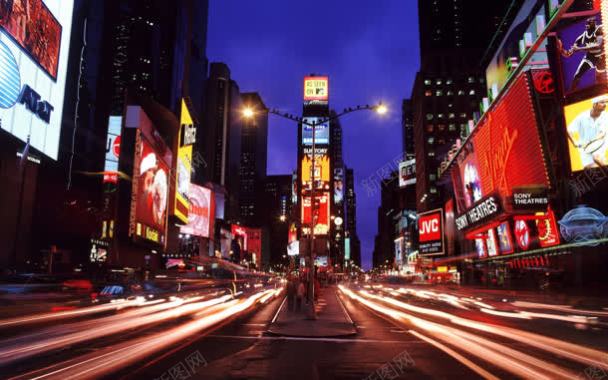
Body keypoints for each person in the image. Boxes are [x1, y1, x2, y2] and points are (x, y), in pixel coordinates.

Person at [560, 17, 605, 91]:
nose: (587, 26)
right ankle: (572, 95)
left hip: (601, 56)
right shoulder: (582, 36)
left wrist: (580, 49)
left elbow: (598, 46)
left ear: (594, 24)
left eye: (590, 23)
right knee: (577, 75)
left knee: (601, 79)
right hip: (590, 57)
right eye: (587, 24)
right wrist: (562, 50)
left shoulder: (599, 29)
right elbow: (569, 53)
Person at [567, 95, 608, 169]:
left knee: (597, 156)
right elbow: (568, 129)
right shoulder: (582, 116)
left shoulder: (606, 116)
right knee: (589, 168)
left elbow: (602, 134)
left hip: (601, 143)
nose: (605, 104)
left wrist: (590, 142)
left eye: (606, 102)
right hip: (585, 149)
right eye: (602, 102)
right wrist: (574, 142)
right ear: (595, 104)